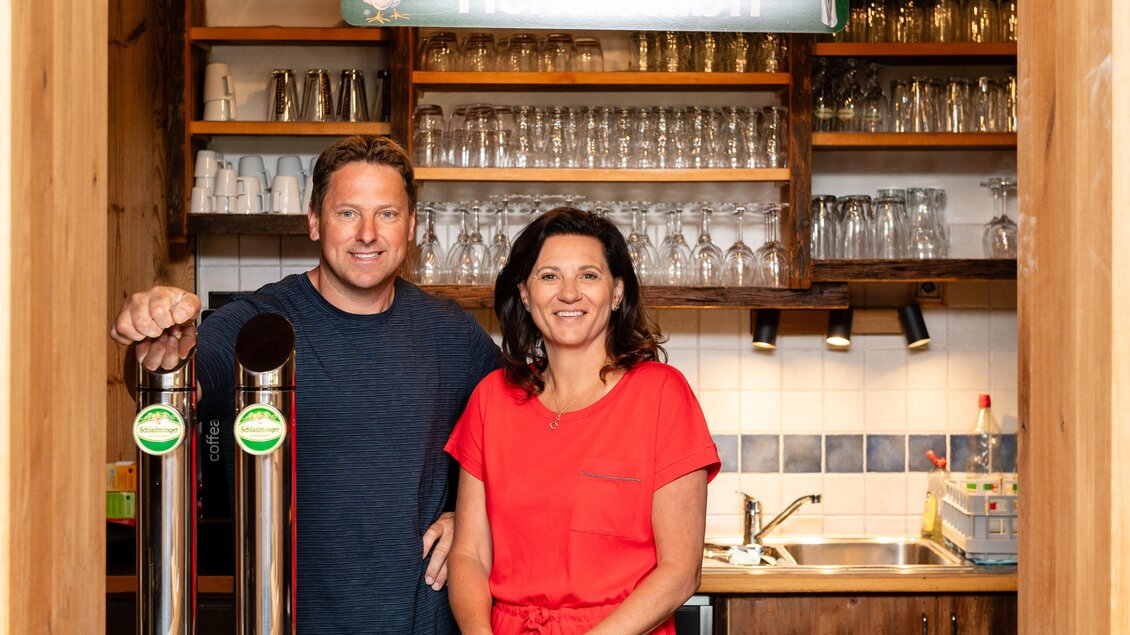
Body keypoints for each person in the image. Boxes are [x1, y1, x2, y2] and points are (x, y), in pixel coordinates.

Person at [110, 136, 500, 633]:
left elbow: (528, 431)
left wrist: (468, 518)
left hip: (421, 622)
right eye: (347, 214)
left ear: (412, 225)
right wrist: (151, 353)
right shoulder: (257, 322)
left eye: (387, 214)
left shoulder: (451, 333)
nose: (367, 234)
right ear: (314, 221)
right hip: (287, 620)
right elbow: (177, 382)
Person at [445, 208, 720, 634]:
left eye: (588, 276)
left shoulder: (662, 394)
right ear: (524, 292)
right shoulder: (491, 399)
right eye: (549, 276)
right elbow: (469, 555)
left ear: (616, 293)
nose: (568, 293)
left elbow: (681, 571)